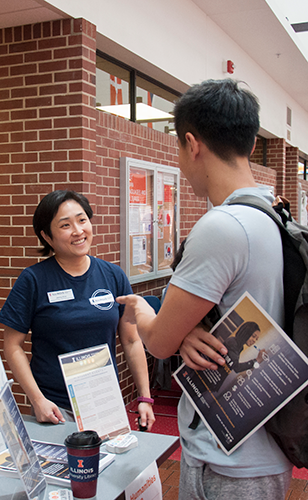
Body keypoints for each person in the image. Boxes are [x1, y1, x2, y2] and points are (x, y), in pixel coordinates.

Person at [117, 79, 292, 499]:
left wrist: (141, 308)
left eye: (178, 149)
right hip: (265, 442)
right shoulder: (274, 213)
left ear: (192, 144)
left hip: (229, 459)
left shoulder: (222, 227)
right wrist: (189, 332)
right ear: (251, 144)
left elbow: (159, 342)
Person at [0, 190, 155, 431]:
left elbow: (132, 341)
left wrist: (144, 397)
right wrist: (37, 400)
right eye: (65, 225)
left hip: (103, 401)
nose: (78, 231)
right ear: (47, 237)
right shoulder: (33, 280)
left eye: (82, 220)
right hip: (55, 408)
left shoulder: (113, 276)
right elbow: (12, 345)